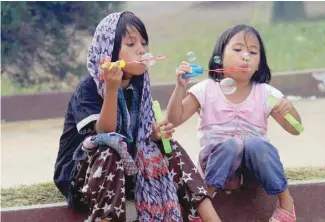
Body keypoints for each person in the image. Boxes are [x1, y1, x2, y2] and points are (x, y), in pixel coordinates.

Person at [54, 11, 221, 222]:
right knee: (110, 150)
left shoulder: (138, 84)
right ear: (110, 50)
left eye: (143, 44)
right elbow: (105, 134)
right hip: (84, 178)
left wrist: (153, 134)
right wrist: (112, 88)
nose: (141, 50)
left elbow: (138, 135)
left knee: (171, 149)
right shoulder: (89, 88)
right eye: (131, 44)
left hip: (129, 172)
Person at [167, 24, 301, 222]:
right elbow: (173, 120)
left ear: (259, 63)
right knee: (232, 144)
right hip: (216, 166)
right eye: (237, 49)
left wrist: (289, 110)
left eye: (253, 52)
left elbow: (296, 129)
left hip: (253, 172)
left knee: (257, 145)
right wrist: (179, 88)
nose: (245, 56)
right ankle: (204, 206)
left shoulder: (266, 93)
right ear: (219, 55)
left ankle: (286, 206)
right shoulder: (206, 89)